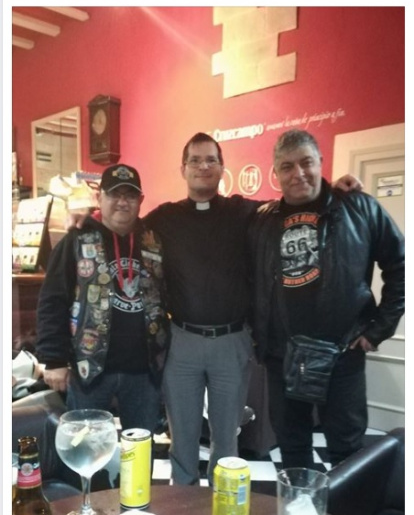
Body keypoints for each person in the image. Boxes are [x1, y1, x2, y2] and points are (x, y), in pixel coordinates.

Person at [145, 132, 360, 484]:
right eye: (195, 160)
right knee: (181, 439)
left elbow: (296, 202)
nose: (203, 166)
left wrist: (332, 190)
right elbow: (122, 226)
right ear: (183, 169)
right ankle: (183, 500)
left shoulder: (245, 211)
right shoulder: (164, 217)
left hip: (232, 343)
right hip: (182, 342)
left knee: (226, 440)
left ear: (222, 168)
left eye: (211, 159)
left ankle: (222, 502)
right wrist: (86, 220)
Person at [249, 129, 405, 468]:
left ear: (320, 162)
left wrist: (379, 328)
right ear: (276, 173)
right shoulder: (262, 220)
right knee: (292, 450)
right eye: (287, 166)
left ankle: (348, 498)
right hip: (282, 354)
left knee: (348, 452)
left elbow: (401, 265)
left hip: (342, 352)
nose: (298, 173)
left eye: (306, 162)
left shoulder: (359, 208)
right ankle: (301, 498)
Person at [36, 164, 170, 432]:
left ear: (140, 200)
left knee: (139, 445)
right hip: (90, 368)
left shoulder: (155, 240)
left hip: (144, 370)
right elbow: (52, 300)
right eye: (114, 194)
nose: (122, 202)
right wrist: (54, 360)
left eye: (130, 195)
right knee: (86, 443)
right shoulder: (77, 239)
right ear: (99, 198)